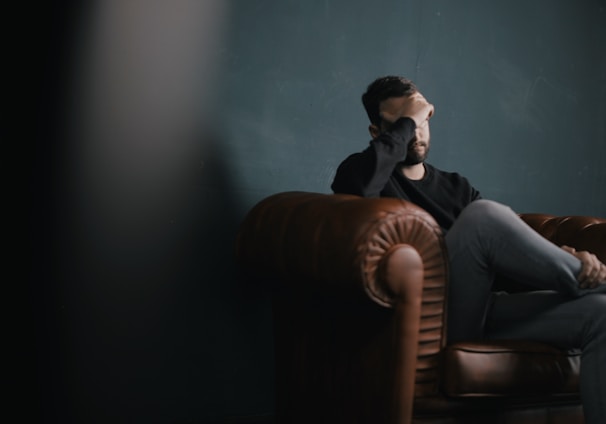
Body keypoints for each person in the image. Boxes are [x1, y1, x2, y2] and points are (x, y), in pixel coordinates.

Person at [331, 76, 606, 423]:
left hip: (482, 312)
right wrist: (410, 118)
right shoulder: (360, 172)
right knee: (483, 216)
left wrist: (554, 259)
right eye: (406, 123)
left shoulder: (456, 187)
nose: (417, 132)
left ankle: (587, 280)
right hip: (433, 321)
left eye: (422, 120)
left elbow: (502, 263)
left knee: (601, 312)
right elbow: (353, 192)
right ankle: (586, 278)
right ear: (378, 132)